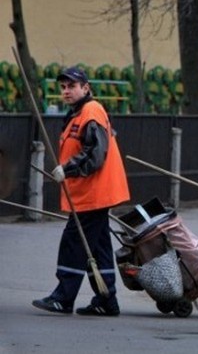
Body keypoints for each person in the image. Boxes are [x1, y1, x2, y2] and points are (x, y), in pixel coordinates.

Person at [32, 67, 130, 316]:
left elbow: (96, 154)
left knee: (73, 242)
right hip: (92, 193)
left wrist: (68, 169)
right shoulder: (78, 113)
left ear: (85, 88)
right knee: (97, 247)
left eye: (71, 86)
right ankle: (107, 300)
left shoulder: (91, 111)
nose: (66, 91)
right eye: (63, 87)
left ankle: (63, 298)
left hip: (94, 194)